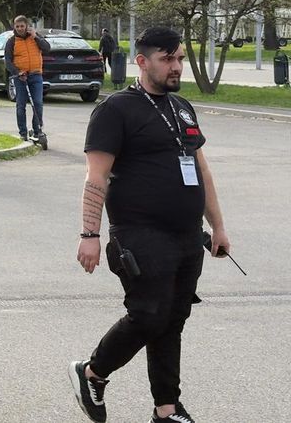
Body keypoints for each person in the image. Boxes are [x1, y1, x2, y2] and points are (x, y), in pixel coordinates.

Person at [70, 27, 230, 423]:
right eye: (168, 59)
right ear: (142, 61)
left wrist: (219, 227)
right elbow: (96, 176)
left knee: (172, 321)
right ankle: (91, 373)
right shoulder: (116, 109)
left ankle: (166, 409)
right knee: (149, 315)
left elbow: (202, 169)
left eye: (179, 58)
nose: (176, 66)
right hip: (139, 233)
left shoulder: (182, 108)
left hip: (187, 236)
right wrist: (90, 234)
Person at [4, 16, 51, 141]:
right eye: (17, 26)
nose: (20, 29)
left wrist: (36, 36)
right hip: (20, 77)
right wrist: (17, 72)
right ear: (14, 27)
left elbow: (47, 48)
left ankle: (37, 131)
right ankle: (23, 132)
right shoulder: (12, 41)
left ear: (26, 26)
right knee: (21, 105)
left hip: (36, 75)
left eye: (22, 26)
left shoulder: (35, 37)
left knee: (38, 103)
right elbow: (8, 61)